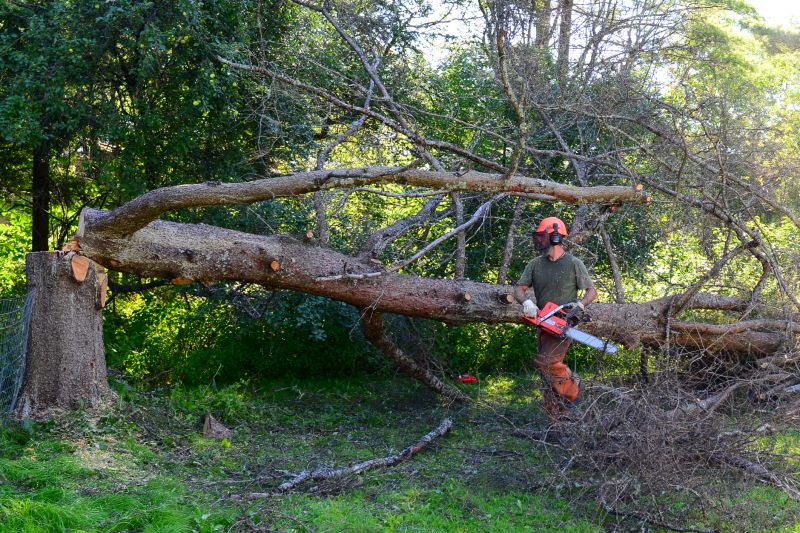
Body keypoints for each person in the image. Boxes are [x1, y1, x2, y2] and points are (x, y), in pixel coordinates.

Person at [514, 216, 597, 424]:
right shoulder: (535, 265)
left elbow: (591, 291)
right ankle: (555, 421)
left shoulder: (573, 263)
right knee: (546, 374)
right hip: (543, 322)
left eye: (542, 236)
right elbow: (519, 289)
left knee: (546, 362)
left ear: (556, 237)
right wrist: (527, 302)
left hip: (564, 322)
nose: (538, 240)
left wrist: (581, 304)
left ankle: (573, 387)